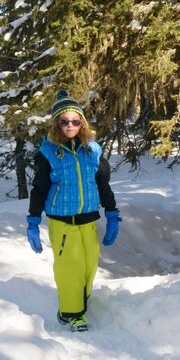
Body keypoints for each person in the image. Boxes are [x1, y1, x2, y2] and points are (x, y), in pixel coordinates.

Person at [26, 90, 120, 332]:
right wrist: (33, 221)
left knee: (89, 265)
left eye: (75, 121)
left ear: (82, 122)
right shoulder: (48, 153)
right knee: (70, 267)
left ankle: (79, 303)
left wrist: (112, 213)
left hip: (88, 219)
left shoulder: (93, 150)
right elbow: (38, 189)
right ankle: (71, 313)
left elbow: (103, 185)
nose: (70, 125)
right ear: (56, 123)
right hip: (62, 220)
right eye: (64, 121)